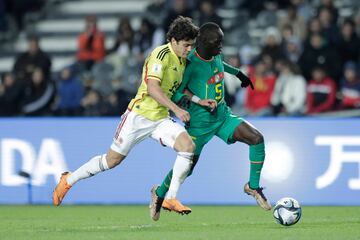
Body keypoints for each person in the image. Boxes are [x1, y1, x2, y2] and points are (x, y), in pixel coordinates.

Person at [52, 17, 208, 219]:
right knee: (111, 161)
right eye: (186, 45)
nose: (189, 49)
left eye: (191, 46)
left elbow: (178, 88)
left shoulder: (182, 59)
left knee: (188, 147)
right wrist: (177, 110)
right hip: (139, 116)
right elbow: (153, 88)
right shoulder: (160, 55)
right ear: (174, 40)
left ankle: (169, 197)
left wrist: (198, 100)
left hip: (160, 119)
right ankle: (69, 179)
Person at [149, 22, 271, 221]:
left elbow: (221, 65)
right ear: (203, 42)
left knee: (256, 138)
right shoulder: (188, 63)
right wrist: (198, 102)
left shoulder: (215, 55)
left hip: (222, 117)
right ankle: (159, 193)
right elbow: (177, 91)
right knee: (186, 169)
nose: (221, 47)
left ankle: (253, 186)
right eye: (217, 43)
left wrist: (239, 73)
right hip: (199, 124)